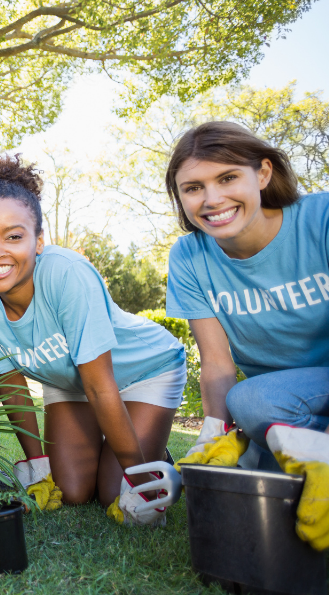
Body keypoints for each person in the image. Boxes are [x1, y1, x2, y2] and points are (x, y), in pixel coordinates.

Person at [0, 152, 186, 526]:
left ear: (38, 241)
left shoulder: (66, 274)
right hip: (69, 383)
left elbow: (100, 385)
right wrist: (38, 468)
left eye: (13, 236)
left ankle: (155, 459)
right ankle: (128, 444)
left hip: (144, 372)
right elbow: (8, 382)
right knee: (72, 492)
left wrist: (141, 487)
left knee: (114, 492)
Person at [164, 121, 329, 550]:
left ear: (263, 174)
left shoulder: (321, 218)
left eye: (227, 177)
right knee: (274, 508)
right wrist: (210, 440)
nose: (212, 199)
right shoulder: (189, 256)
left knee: (253, 401)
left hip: (301, 400)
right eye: (193, 188)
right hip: (278, 413)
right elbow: (217, 364)